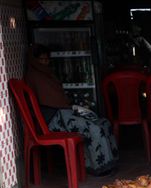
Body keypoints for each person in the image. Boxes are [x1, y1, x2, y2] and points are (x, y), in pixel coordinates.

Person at [25, 44, 118, 176]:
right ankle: (100, 167)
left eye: (47, 59)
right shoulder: (34, 76)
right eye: (42, 59)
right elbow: (49, 102)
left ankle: (111, 162)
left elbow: (58, 98)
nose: (45, 62)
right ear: (34, 60)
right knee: (93, 128)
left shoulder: (46, 74)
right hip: (53, 120)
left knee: (104, 123)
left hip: (63, 114)